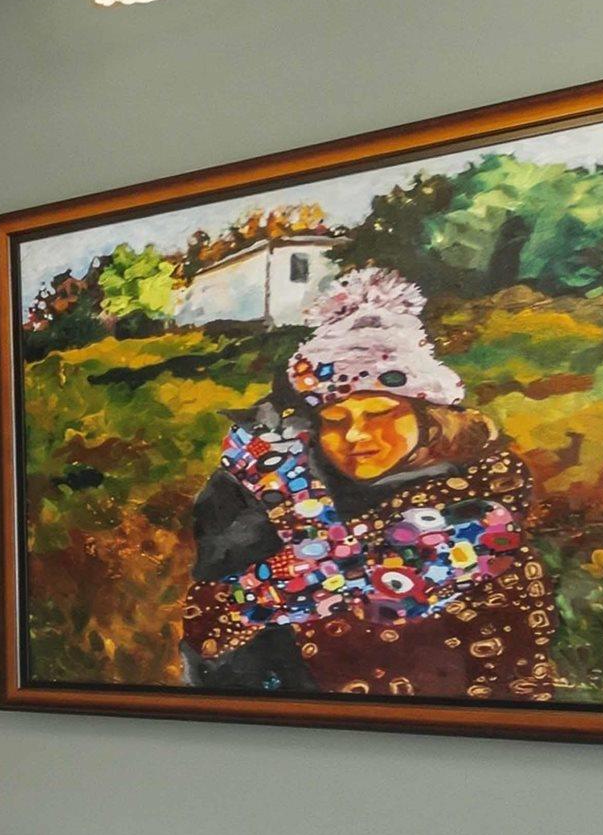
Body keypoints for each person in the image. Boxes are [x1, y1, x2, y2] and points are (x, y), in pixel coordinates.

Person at [182, 268, 557, 701]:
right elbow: (211, 637)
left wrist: (262, 597)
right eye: (335, 421)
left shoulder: (483, 504)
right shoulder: (263, 496)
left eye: (380, 415)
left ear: (429, 419)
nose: (357, 436)